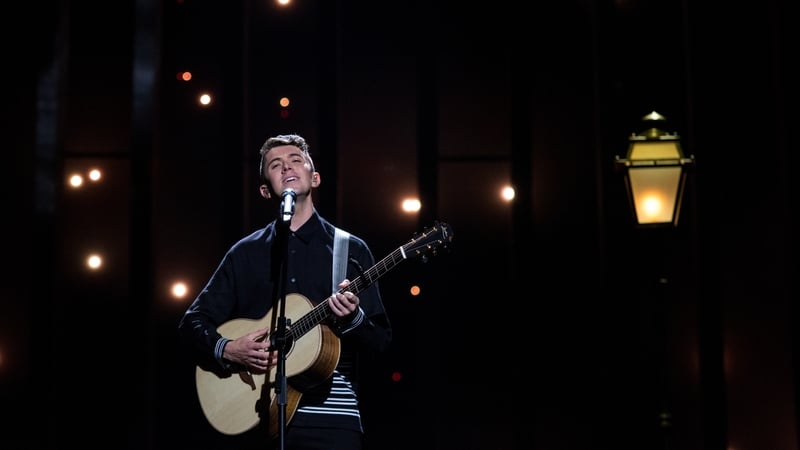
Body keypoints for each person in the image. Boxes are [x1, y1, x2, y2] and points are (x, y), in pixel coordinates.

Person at [178, 133, 393, 450]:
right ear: (266, 190)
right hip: (255, 414)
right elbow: (192, 323)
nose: (287, 167)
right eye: (275, 165)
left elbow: (381, 341)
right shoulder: (245, 252)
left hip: (332, 419)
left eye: (296, 160)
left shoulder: (350, 249)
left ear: (314, 177)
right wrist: (228, 348)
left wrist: (353, 318)